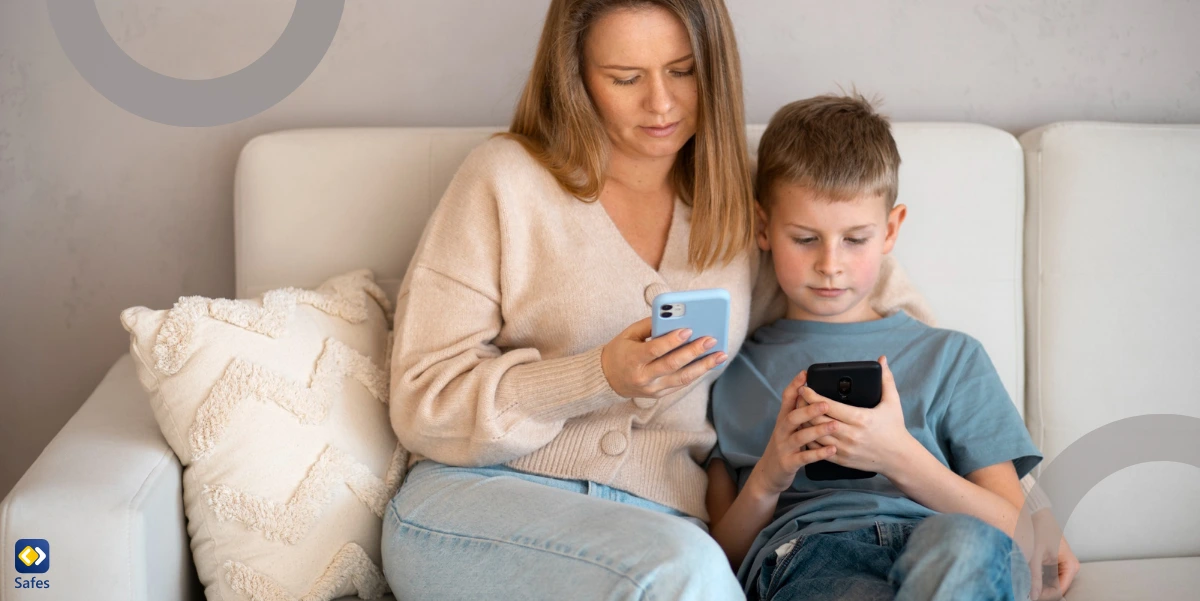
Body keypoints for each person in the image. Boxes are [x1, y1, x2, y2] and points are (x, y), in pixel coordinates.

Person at [379, 2, 928, 599]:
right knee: (686, 572)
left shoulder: (749, 201)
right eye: (625, 78)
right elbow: (421, 400)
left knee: (689, 568)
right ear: (575, 77)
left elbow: (883, 312)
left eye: (684, 71)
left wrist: (1010, 513)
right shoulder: (504, 180)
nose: (661, 104)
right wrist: (596, 376)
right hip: (479, 504)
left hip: (665, 527)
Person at [705, 93, 1075, 601]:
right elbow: (718, 558)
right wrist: (768, 477)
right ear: (764, 228)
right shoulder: (732, 370)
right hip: (811, 555)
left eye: (855, 239)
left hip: (942, 542)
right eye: (805, 239)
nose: (829, 264)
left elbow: (1022, 533)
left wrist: (900, 457)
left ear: (891, 230)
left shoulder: (952, 357)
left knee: (967, 547)